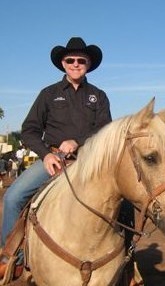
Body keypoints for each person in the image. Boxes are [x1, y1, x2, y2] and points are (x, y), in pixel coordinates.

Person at [0, 37, 112, 279]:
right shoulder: (48, 94)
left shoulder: (99, 97)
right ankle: (12, 258)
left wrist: (78, 142)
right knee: (12, 197)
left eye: (81, 60)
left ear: (88, 63)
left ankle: (129, 260)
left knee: (123, 203)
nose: (75, 64)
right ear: (63, 63)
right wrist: (46, 154)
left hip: (88, 162)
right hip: (53, 160)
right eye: (70, 60)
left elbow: (106, 131)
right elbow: (29, 130)